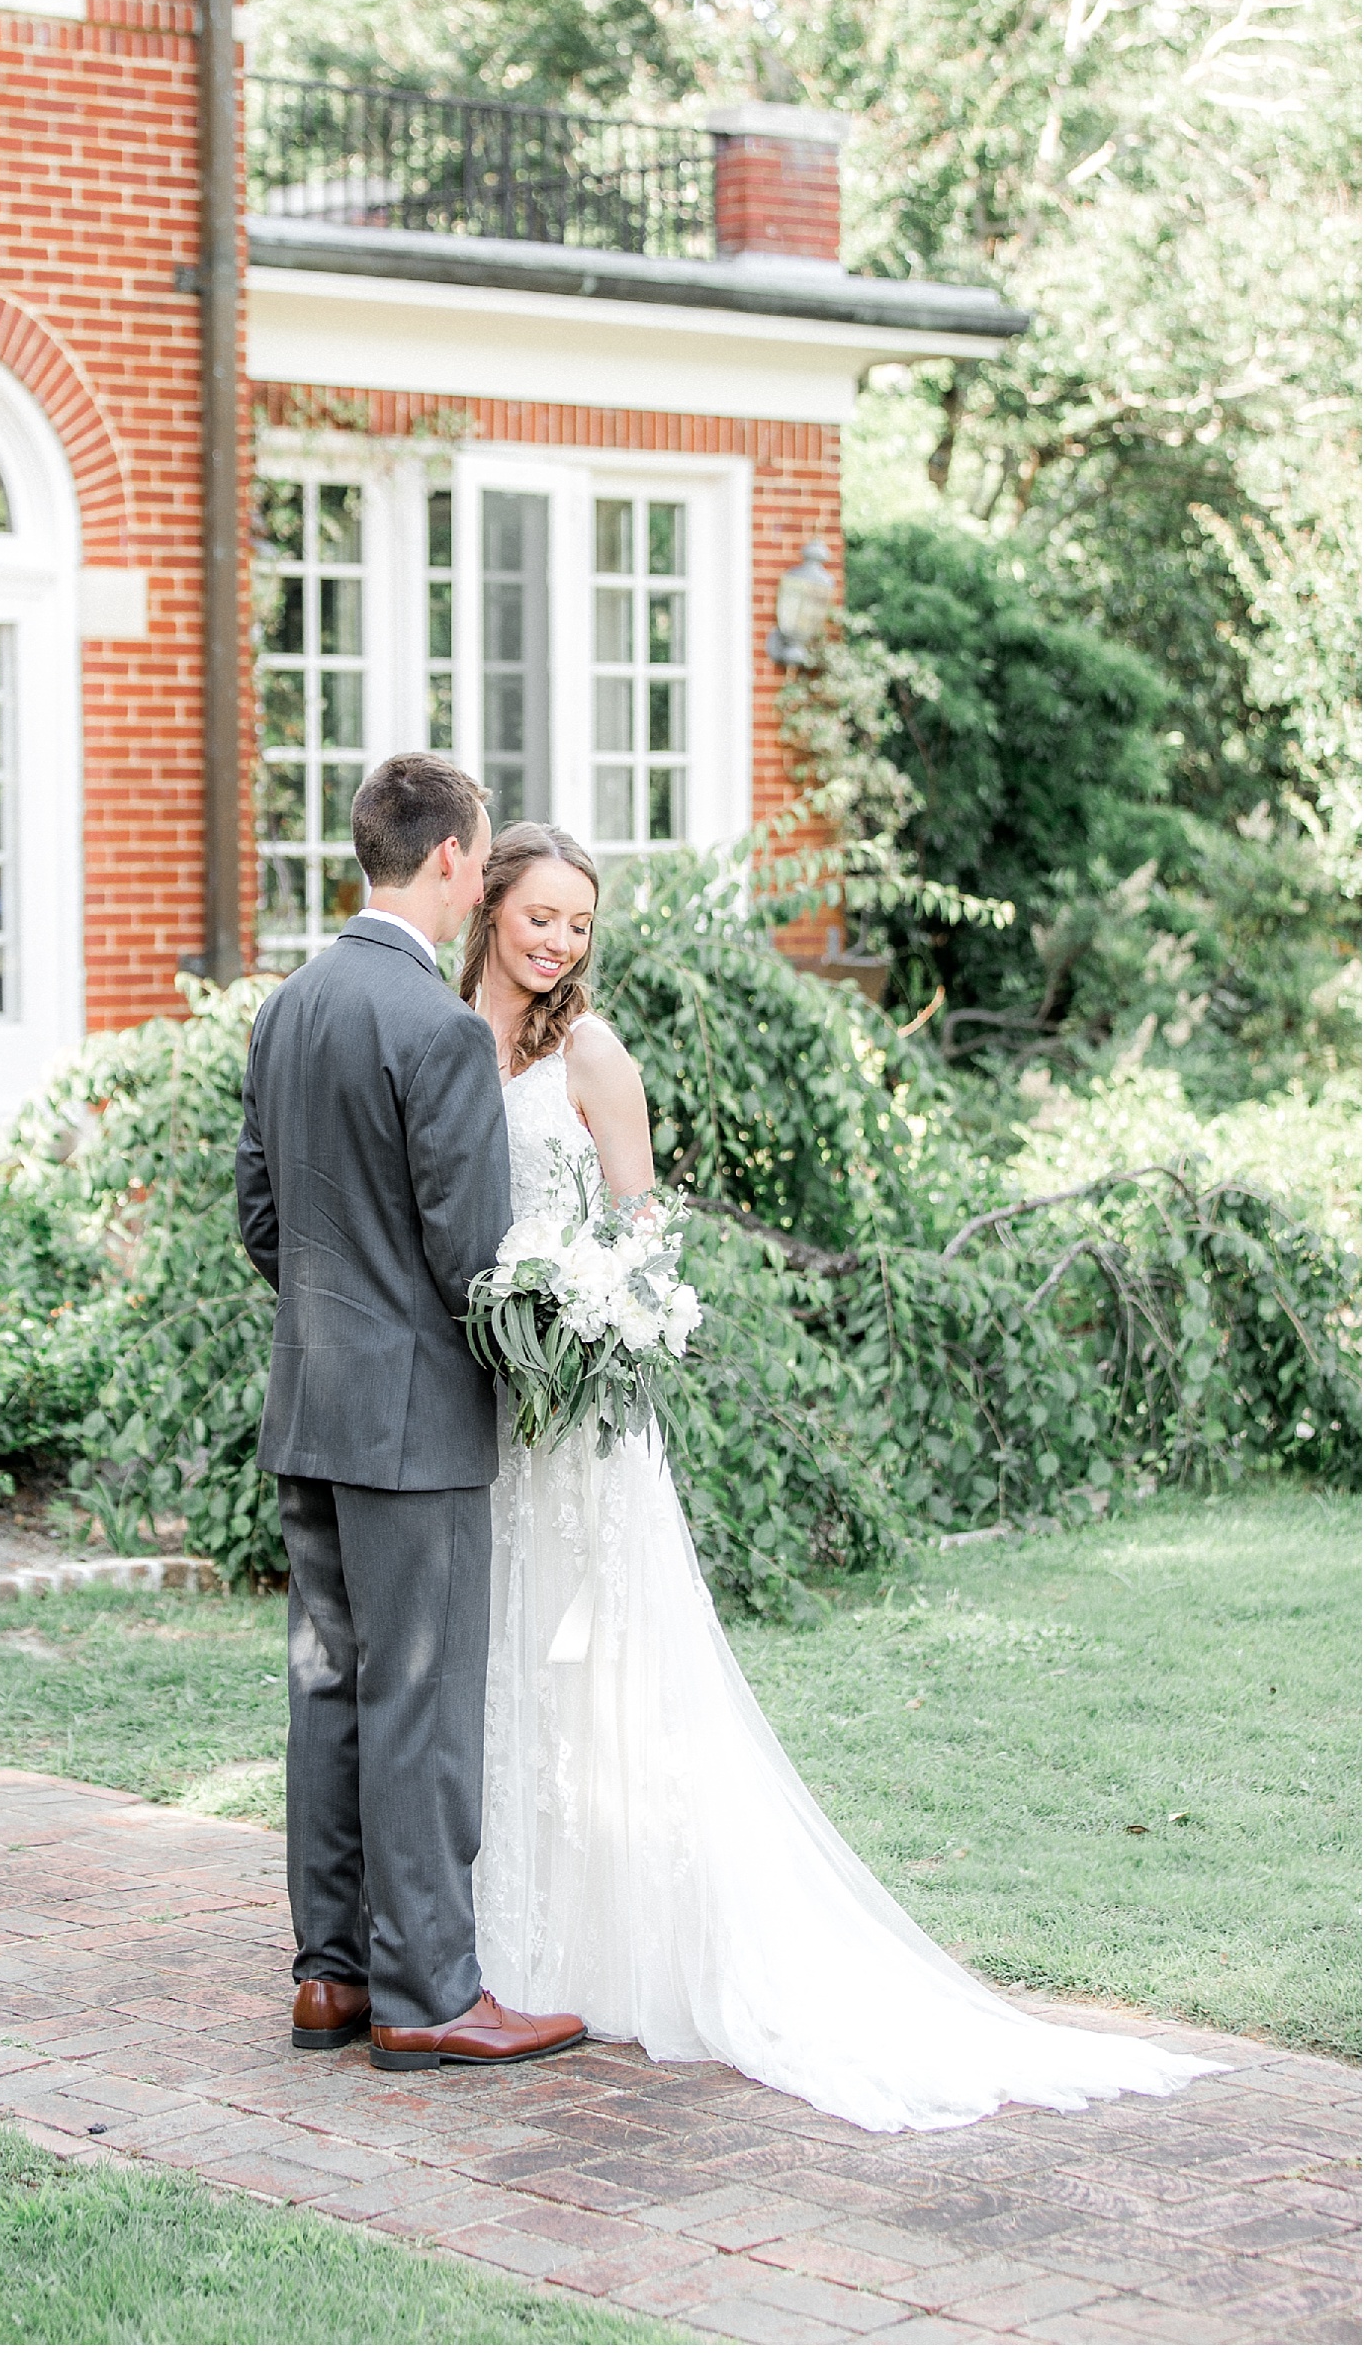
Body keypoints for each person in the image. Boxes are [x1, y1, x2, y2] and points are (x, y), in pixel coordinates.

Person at [461, 818, 1225, 2134]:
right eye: (541, 916)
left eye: (580, 924)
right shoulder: (445, 1041)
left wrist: (592, 1313)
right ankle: (512, 1936)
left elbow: (640, 1230)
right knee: (511, 1660)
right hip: (490, 1407)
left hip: (580, 1417)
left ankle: (616, 1946)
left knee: (601, 1664)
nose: (560, 943)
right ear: (487, 906)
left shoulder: (593, 1052)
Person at [235, 754, 587, 2074]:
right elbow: (474, 1258)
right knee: (422, 1705)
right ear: (450, 859)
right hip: (416, 1423)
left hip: (311, 1405)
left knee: (328, 1693)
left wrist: (341, 1318)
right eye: (483, 860)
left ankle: (330, 1978)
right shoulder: (439, 1030)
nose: (482, 880)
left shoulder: (287, 1007)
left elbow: (262, 1218)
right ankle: (431, 1990)